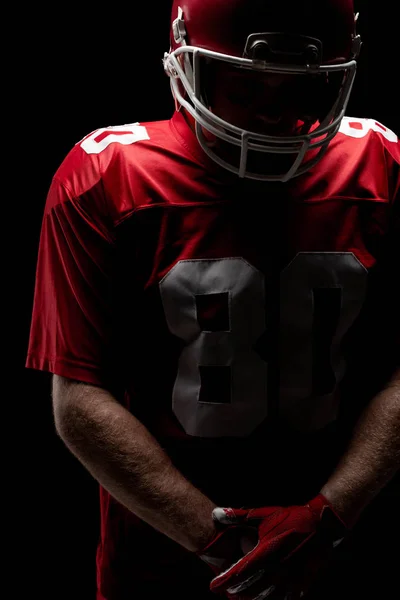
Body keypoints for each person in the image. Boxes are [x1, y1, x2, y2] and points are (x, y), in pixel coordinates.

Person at [26, 1, 399, 599]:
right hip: (164, 559)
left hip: (339, 551)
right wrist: (223, 542)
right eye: (246, 82)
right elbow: (78, 398)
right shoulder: (107, 176)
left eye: (305, 87)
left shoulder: (380, 166)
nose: (274, 113)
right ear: (182, 60)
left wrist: (330, 515)